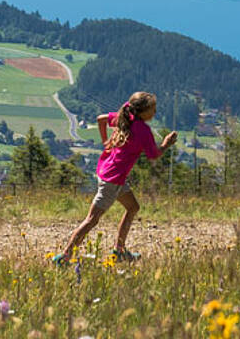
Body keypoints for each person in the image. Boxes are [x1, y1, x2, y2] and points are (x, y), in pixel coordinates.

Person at [52, 90, 177, 264]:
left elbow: (100, 120)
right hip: (113, 180)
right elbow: (154, 155)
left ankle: (119, 251)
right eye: (152, 109)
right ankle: (65, 256)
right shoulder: (143, 131)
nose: (155, 112)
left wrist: (105, 142)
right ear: (142, 111)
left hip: (108, 171)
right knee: (92, 219)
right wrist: (166, 143)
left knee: (133, 207)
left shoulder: (126, 118)